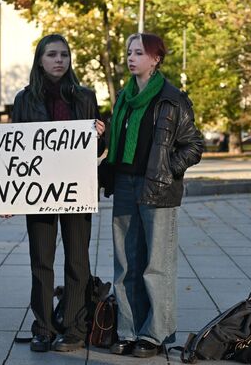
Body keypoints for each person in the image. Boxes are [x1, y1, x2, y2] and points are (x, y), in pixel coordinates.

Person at [104, 33, 204, 358]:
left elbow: (194, 145)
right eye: (129, 52)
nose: (132, 58)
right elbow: (116, 145)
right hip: (124, 186)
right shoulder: (123, 98)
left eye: (139, 52)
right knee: (125, 264)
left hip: (157, 190)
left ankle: (154, 334)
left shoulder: (172, 98)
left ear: (155, 58)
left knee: (155, 265)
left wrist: (166, 170)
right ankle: (126, 330)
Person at [11, 34, 106, 353]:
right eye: (52, 54)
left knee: (78, 262)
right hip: (38, 193)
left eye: (64, 54)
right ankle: (43, 327)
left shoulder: (85, 97)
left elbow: (98, 149)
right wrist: (9, 195)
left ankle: (75, 327)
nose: (59, 60)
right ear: (40, 60)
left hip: (76, 190)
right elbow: (12, 151)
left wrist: (99, 136)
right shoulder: (24, 99)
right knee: (41, 261)